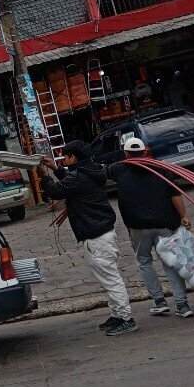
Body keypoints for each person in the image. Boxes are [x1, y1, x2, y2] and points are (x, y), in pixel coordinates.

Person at [39, 140, 138, 336]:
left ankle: (126, 317)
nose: (64, 160)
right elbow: (70, 180)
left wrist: (45, 176)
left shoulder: (80, 176)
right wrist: (55, 169)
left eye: (66, 157)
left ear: (73, 158)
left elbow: (57, 191)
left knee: (110, 279)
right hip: (101, 232)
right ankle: (118, 314)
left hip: (96, 235)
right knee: (108, 277)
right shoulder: (90, 171)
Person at [107, 137, 194, 318]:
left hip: (138, 227)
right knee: (170, 263)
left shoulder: (119, 169)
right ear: (145, 151)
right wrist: (184, 215)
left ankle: (159, 301)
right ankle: (182, 305)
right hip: (165, 223)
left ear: (126, 153)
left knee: (144, 261)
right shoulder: (161, 169)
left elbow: (103, 171)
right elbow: (175, 194)